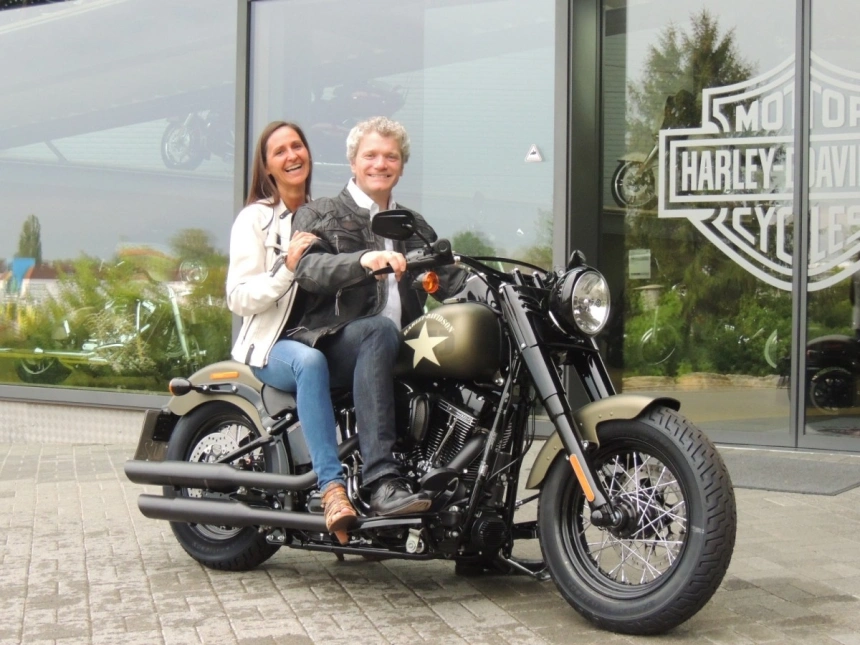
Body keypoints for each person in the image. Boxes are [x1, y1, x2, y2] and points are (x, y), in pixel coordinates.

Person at [289, 116, 466, 517]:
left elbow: (452, 280)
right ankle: (381, 479)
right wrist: (363, 261)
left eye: (391, 157)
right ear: (353, 161)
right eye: (370, 155)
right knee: (378, 331)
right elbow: (310, 270)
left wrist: (505, 288)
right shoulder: (320, 213)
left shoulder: (413, 226)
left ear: (401, 166)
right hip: (332, 341)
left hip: (398, 344)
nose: (380, 164)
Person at [225, 121, 356, 544]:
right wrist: (287, 267)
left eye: (297, 146)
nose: (292, 155)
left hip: (323, 336)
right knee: (309, 363)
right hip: (274, 346)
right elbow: (238, 296)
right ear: (267, 167)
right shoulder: (256, 219)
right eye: (279, 151)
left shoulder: (325, 216)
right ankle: (331, 488)